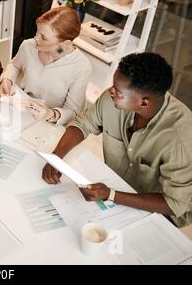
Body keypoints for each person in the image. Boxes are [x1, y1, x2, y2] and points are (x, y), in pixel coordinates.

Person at [42, 52, 192, 227]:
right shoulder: (114, 99)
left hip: (157, 210)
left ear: (144, 103)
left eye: (118, 91)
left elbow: (175, 204)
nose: (110, 92)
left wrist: (111, 195)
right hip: (114, 187)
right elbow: (83, 124)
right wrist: (56, 157)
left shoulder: (181, 138)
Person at [0, 6, 91, 125]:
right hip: (22, 112)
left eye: (44, 37)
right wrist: (7, 79)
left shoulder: (81, 67)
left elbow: (73, 111)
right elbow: (15, 65)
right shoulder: (28, 46)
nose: (36, 38)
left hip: (51, 124)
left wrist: (49, 114)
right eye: (37, 31)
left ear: (65, 43)